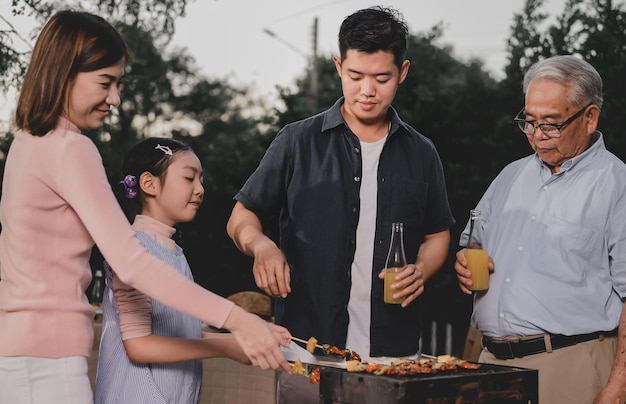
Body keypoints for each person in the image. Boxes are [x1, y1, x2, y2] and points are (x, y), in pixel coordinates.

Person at [0, 10, 290, 404]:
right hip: (46, 358)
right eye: (105, 82)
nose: (114, 99)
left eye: (118, 84)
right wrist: (238, 320)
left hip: (25, 352)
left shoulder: (28, 142)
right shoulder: (70, 148)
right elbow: (132, 262)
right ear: (64, 73)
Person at [227, 6, 454, 403]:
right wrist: (261, 245)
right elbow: (241, 216)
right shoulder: (296, 141)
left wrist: (421, 268)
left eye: (382, 78)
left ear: (402, 72)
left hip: (395, 353)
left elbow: (438, 233)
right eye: (355, 76)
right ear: (338, 66)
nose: (367, 90)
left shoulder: (423, 152)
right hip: (306, 347)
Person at [454, 55, 626, 404]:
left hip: (570, 368)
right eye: (529, 122)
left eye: (551, 123)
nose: (536, 135)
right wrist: (464, 265)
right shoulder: (509, 176)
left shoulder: (616, 184)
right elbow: (472, 245)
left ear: (590, 117)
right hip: (490, 364)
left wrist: (618, 387)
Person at [95, 137, 288, 403]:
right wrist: (228, 346)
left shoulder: (174, 252)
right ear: (149, 183)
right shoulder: (134, 249)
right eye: (189, 178)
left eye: (201, 180)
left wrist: (249, 335)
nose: (200, 189)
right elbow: (139, 346)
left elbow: (177, 329)